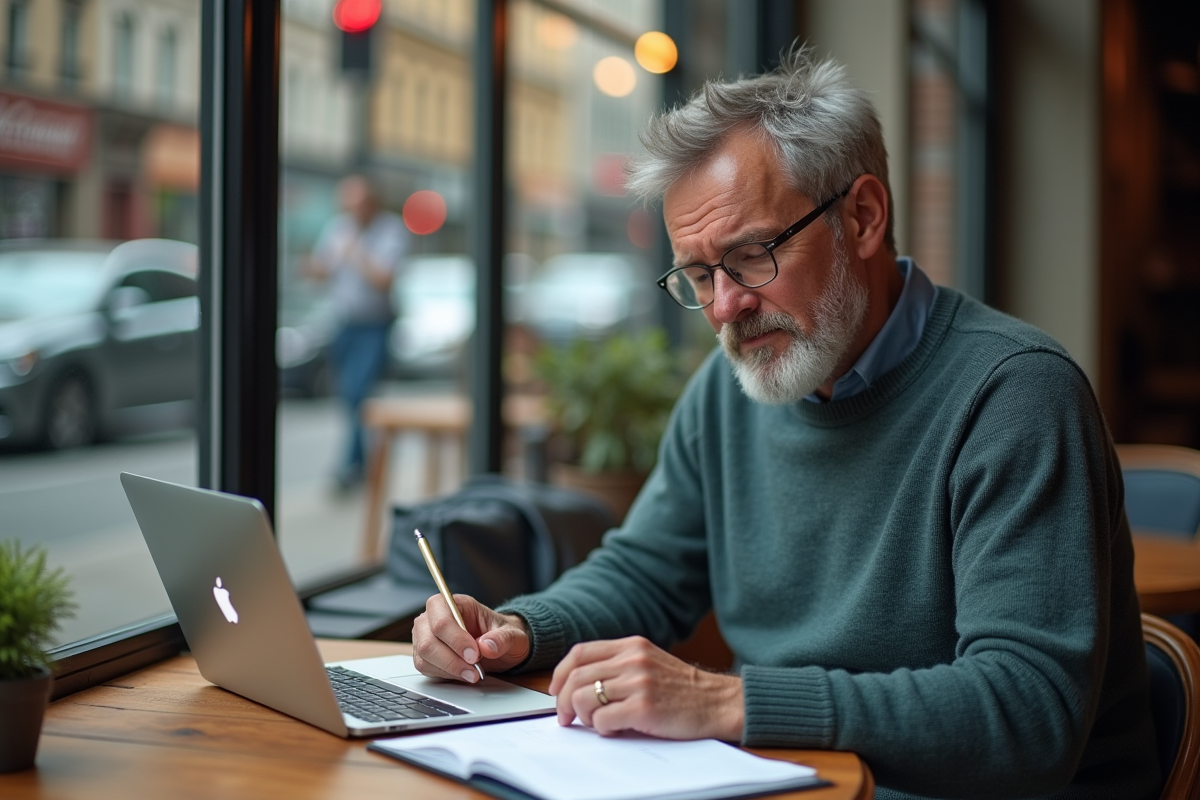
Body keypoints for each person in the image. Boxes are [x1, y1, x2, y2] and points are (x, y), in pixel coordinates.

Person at [411, 46, 1158, 799]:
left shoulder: (1015, 394)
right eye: (698, 275)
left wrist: (728, 703)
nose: (725, 306)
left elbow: (1027, 715)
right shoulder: (726, 390)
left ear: (862, 218)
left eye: (751, 254)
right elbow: (643, 573)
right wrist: (516, 632)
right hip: (790, 781)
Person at [307, 174, 408, 490]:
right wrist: (320, 266)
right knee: (349, 397)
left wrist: (356, 254)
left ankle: (351, 466)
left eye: (358, 203)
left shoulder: (390, 230)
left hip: (375, 325)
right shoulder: (338, 228)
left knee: (358, 392)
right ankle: (362, 464)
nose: (352, 210)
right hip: (345, 322)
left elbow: (384, 280)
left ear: (372, 203)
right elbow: (319, 271)